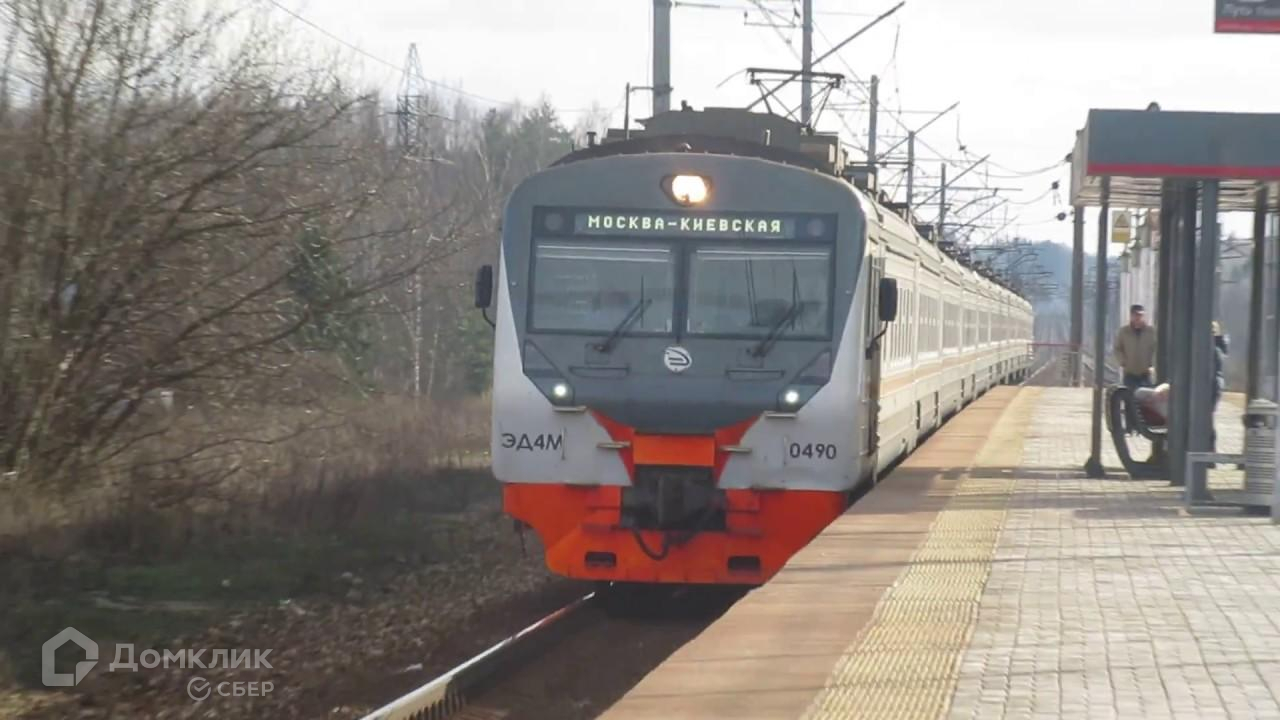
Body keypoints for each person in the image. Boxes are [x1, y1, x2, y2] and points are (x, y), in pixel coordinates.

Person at [1114, 304, 1156, 389]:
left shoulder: (1151, 331)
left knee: (1146, 394)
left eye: (1140, 315)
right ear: (1131, 316)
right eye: (1135, 315)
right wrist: (1123, 362)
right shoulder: (1124, 331)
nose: (1138, 318)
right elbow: (1117, 348)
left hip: (1145, 373)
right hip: (1130, 373)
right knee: (1130, 394)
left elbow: (1155, 348)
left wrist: (1152, 363)